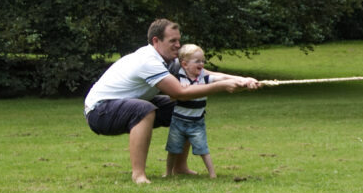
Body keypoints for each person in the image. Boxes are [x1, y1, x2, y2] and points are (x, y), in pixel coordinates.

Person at [84, 19, 260, 184]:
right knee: (143, 109)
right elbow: (180, 92)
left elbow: (203, 74)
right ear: (156, 41)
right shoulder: (148, 61)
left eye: (179, 40)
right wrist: (223, 86)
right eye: (172, 41)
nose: (178, 45)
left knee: (185, 107)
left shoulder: (169, 60)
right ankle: (138, 175)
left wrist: (241, 79)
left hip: (122, 105)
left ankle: (180, 167)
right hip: (100, 112)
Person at [163, 44, 240, 179]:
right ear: (185, 64)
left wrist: (240, 80)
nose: (202, 64)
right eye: (197, 61)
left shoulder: (204, 77)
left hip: (197, 123)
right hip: (178, 122)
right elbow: (171, 96)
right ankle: (168, 173)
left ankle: (212, 174)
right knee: (173, 149)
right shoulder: (178, 79)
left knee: (203, 149)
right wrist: (182, 88)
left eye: (203, 61)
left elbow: (220, 79)